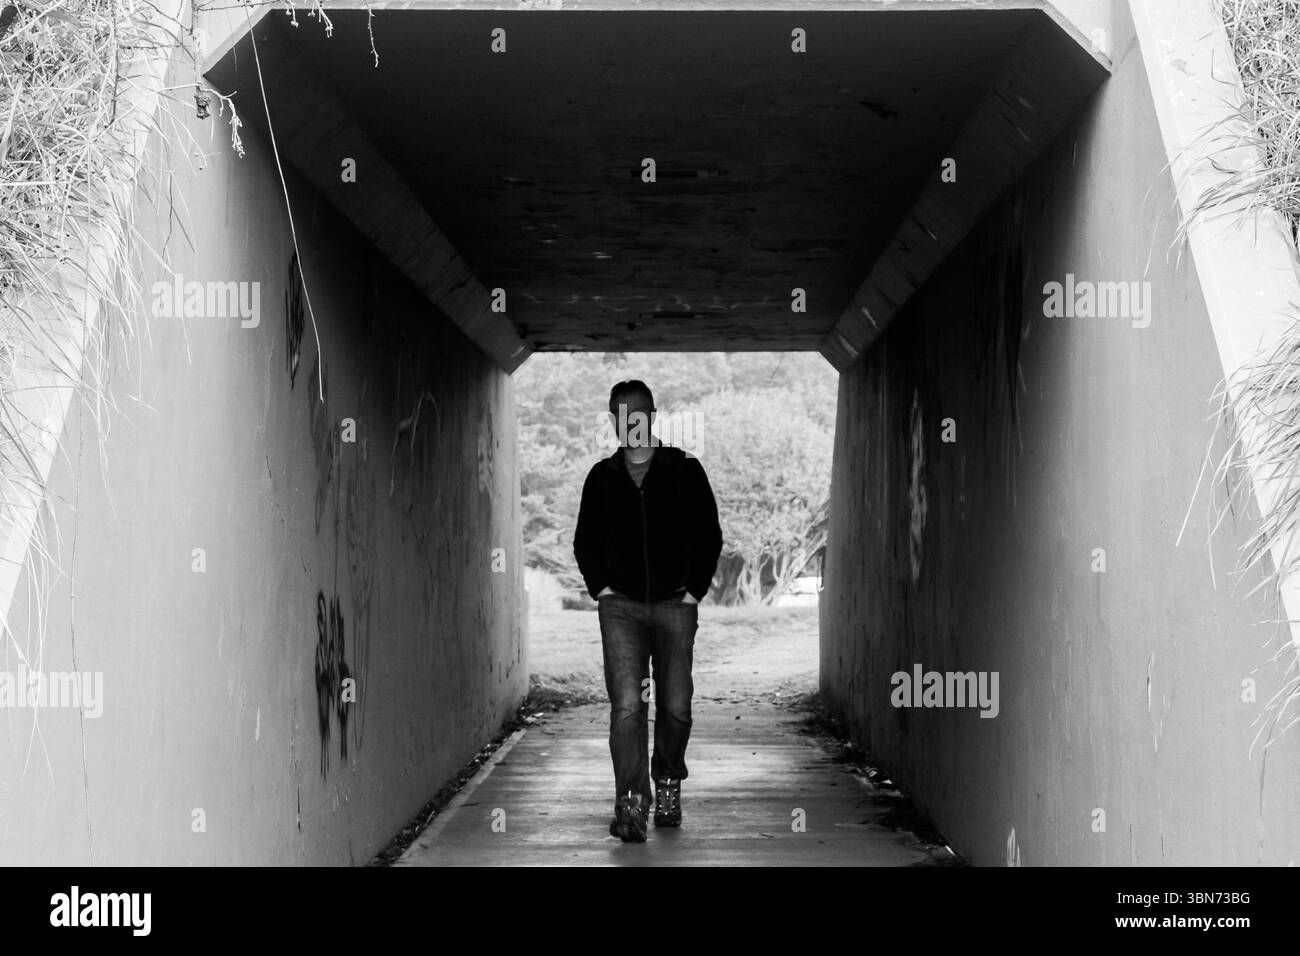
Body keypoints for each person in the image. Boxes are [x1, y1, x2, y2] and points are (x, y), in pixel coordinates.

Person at [572, 380, 723, 843]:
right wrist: (603, 589)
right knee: (627, 707)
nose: (630, 422)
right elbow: (584, 542)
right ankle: (632, 802)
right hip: (621, 610)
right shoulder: (602, 477)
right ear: (613, 421)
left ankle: (669, 780)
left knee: (675, 707)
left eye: (638, 413)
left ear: (653, 416)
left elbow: (709, 534)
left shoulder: (684, 469)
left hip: (676, 606)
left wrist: (694, 591)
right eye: (621, 415)